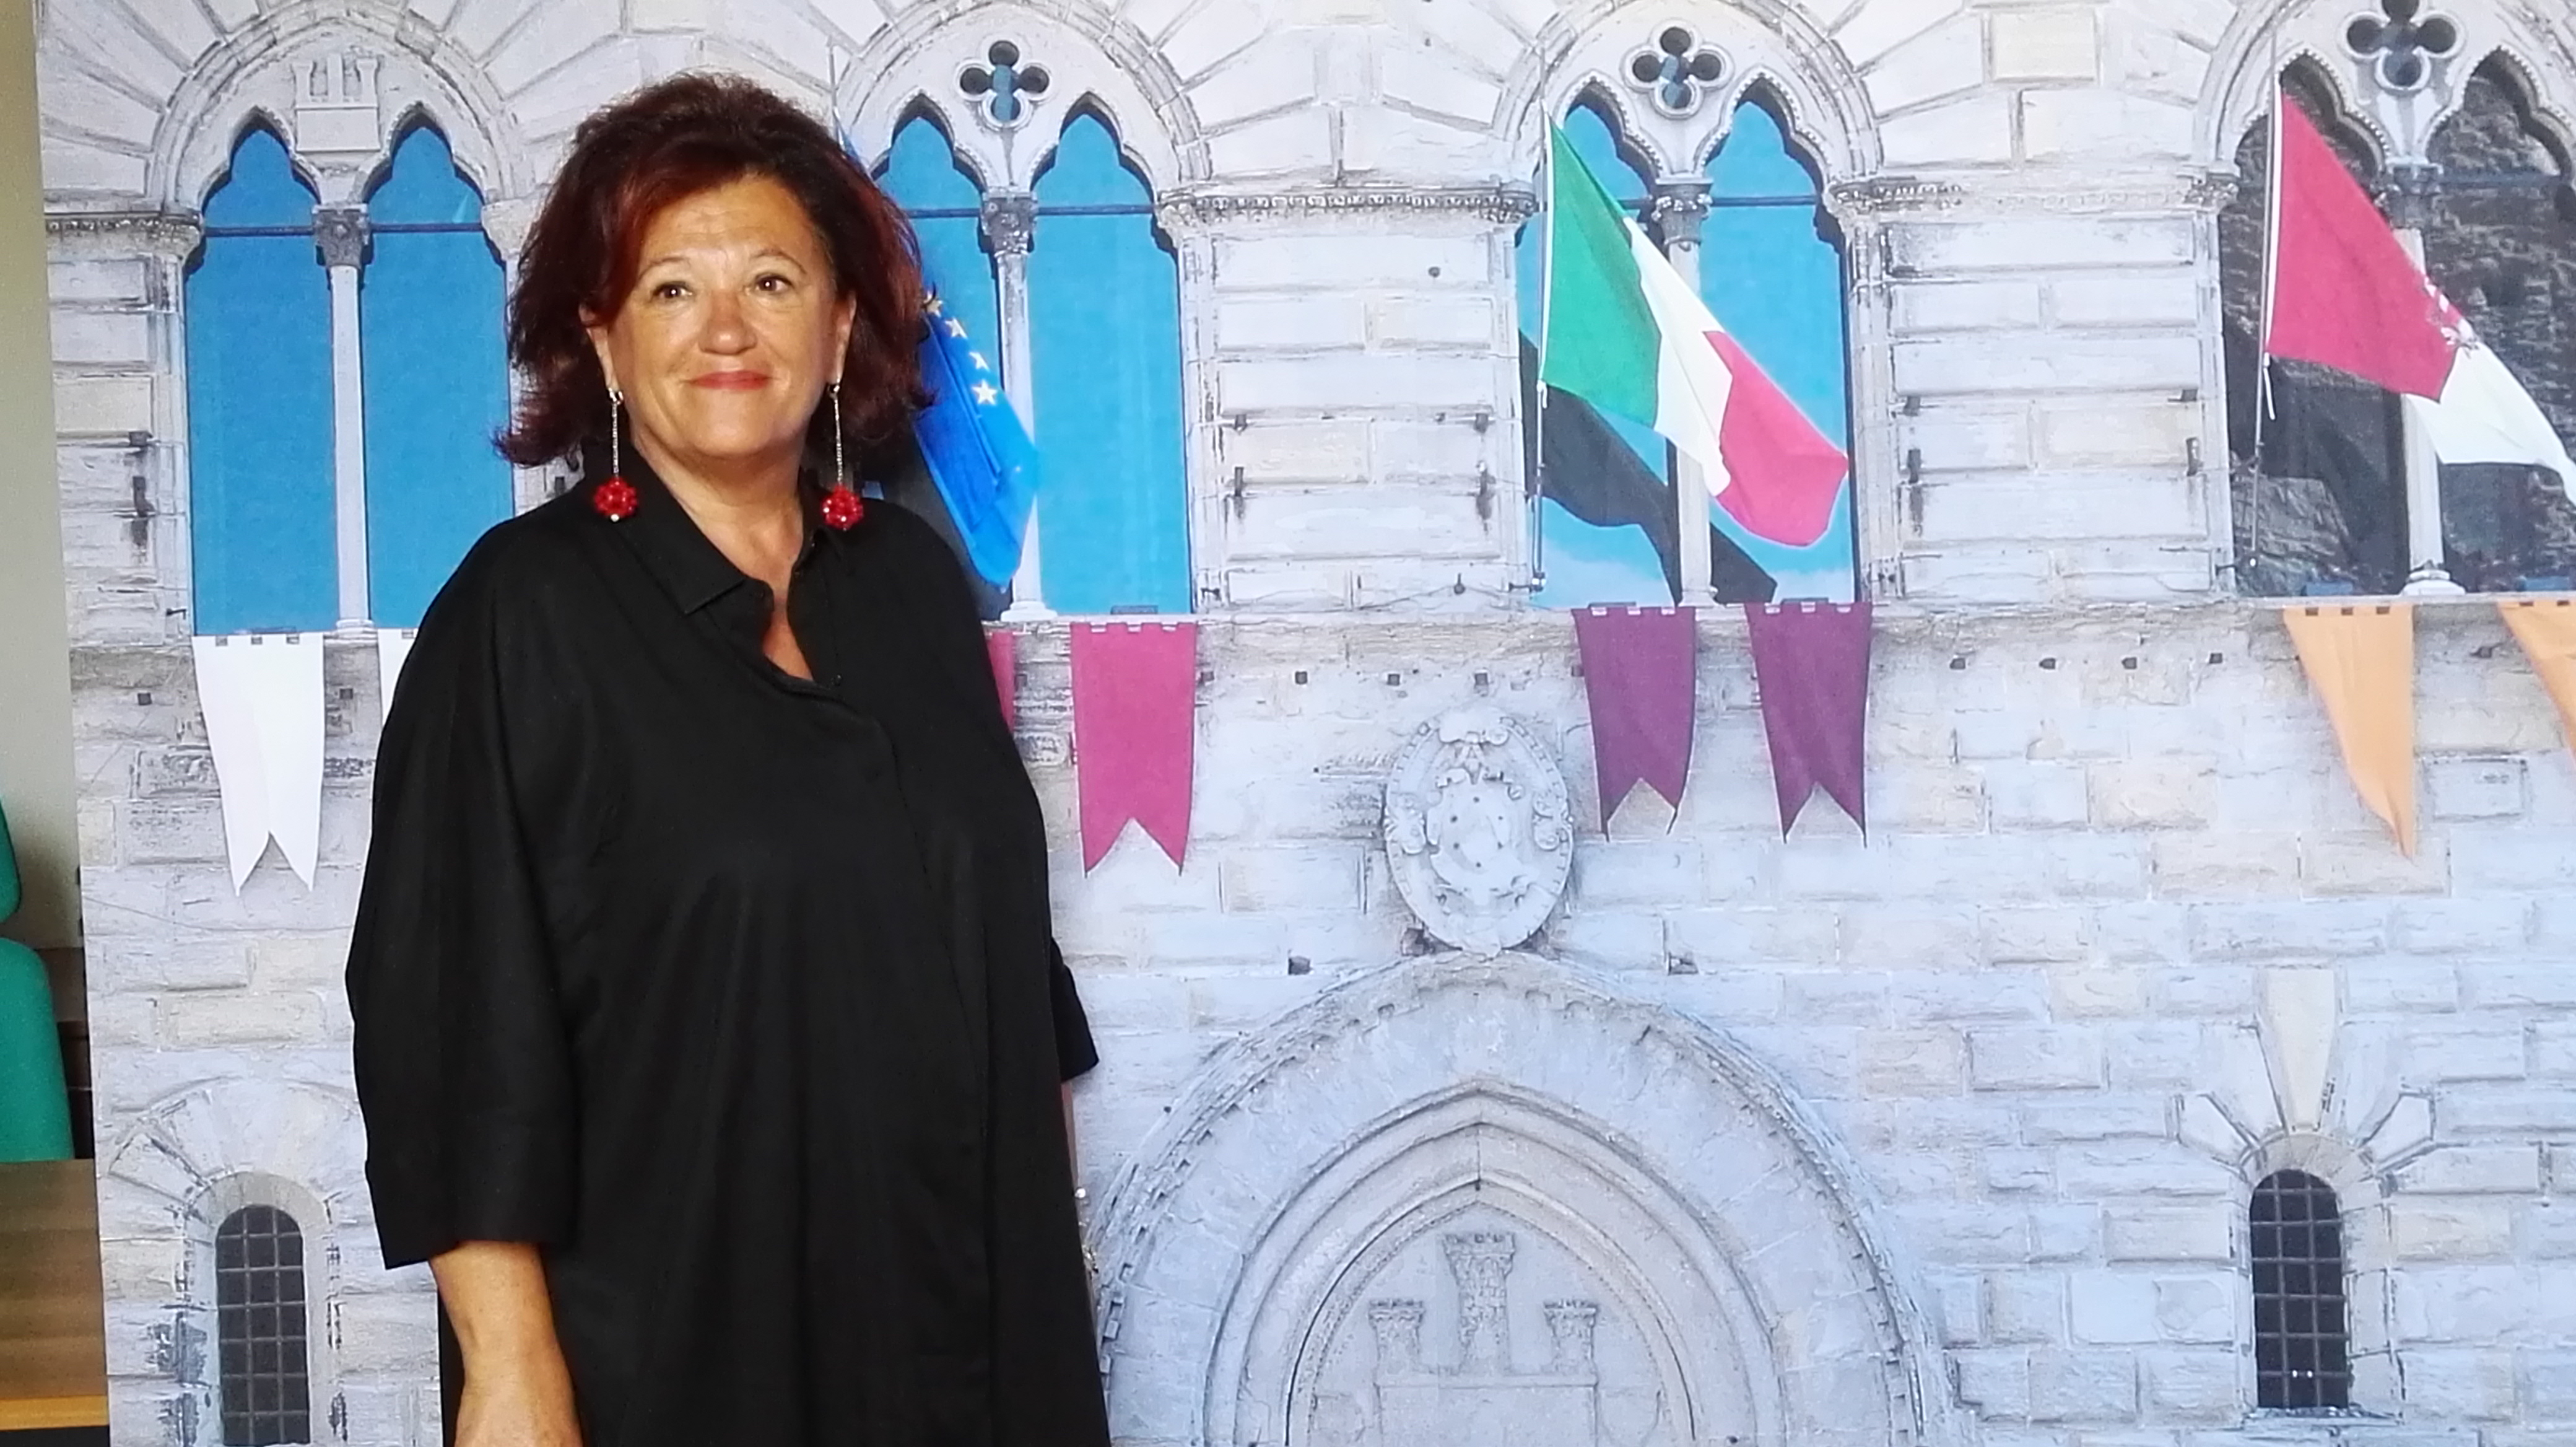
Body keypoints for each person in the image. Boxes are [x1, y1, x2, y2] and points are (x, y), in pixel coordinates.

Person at [344, 72, 1110, 1447]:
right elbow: (449, 1030)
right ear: (602, 339)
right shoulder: (521, 615)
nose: (725, 330)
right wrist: (510, 1375)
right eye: (670, 289)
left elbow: (1011, 969)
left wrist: (1051, 1288)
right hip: (676, 1342)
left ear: (840, 326)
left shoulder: (912, 586)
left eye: (770, 280)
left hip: (978, 1330)